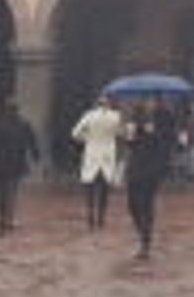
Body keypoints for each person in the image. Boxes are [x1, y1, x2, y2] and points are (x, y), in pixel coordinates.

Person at [123, 96, 176, 259]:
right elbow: (130, 144)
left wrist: (153, 132)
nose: (148, 103)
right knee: (132, 205)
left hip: (152, 168)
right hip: (134, 167)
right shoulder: (135, 118)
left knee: (146, 204)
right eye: (146, 100)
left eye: (151, 100)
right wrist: (129, 135)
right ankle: (143, 234)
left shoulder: (163, 117)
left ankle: (145, 243)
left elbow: (168, 141)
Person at [72, 94, 124, 230]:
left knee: (89, 188)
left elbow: (75, 133)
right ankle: (101, 217)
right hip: (107, 155)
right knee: (104, 189)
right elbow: (120, 133)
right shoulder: (116, 116)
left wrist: (87, 138)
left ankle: (90, 214)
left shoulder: (89, 116)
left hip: (92, 154)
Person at [0, 99, 39, 234]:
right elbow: (32, 141)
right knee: (11, 192)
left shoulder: (0, 124)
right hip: (16, 163)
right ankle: (8, 219)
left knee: (1, 192)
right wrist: (36, 156)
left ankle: (2, 218)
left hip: (1, 164)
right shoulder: (24, 124)